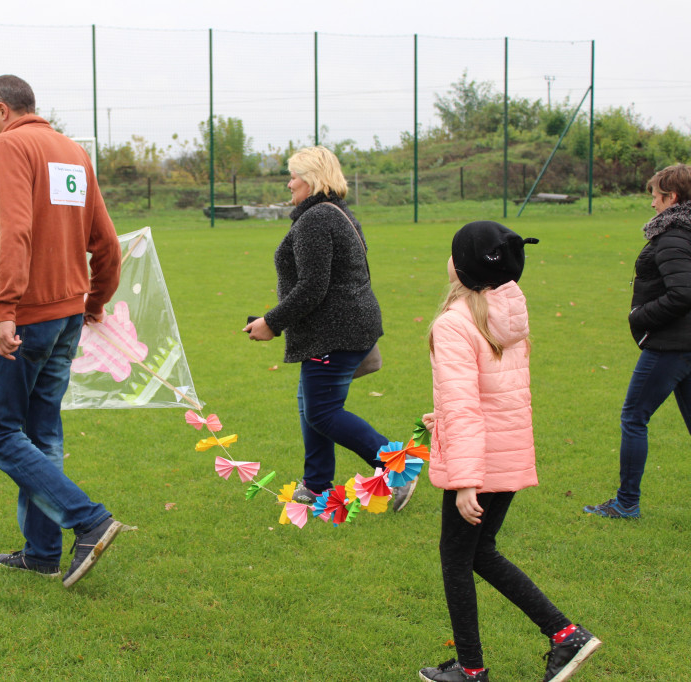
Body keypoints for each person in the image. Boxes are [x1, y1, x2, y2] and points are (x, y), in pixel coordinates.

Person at [419, 222, 600, 682]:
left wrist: (463, 480)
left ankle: (472, 669)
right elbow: (483, 397)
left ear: (462, 268)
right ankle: (565, 636)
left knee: (456, 560)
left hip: (479, 464)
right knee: (481, 554)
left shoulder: (455, 323)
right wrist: (441, 422)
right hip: (502, 452)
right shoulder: (502, 312)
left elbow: (467, 406)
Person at [0, 75, 124, 588]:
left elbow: (14, 231)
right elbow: (106, 242)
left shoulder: (10, 145)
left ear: (1, 110)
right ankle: (41, 553)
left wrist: (6, 309)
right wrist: (97, 301)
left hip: (29, 315)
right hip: (67, 316)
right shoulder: (73, 152)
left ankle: (89, 519)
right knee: (41, 434)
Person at [243, 146, 415, 512]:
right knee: (312, 405)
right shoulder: (336, 213)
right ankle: (317, 483)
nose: (288, 184)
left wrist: (271, 323)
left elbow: (313, 286)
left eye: (293, 176)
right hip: (344, 327)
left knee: (321, 412)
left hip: (335, 333)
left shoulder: (316, 220)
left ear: (311, 179)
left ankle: (396, 465)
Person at [585, 163, 691, 520]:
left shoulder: (674, 234)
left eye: (655, 196)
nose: (652, 204)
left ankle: (626, 503)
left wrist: (639, 316)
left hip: (670, 347)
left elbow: (682, 294)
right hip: (683, 344)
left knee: (633, 417)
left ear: (672, 197)